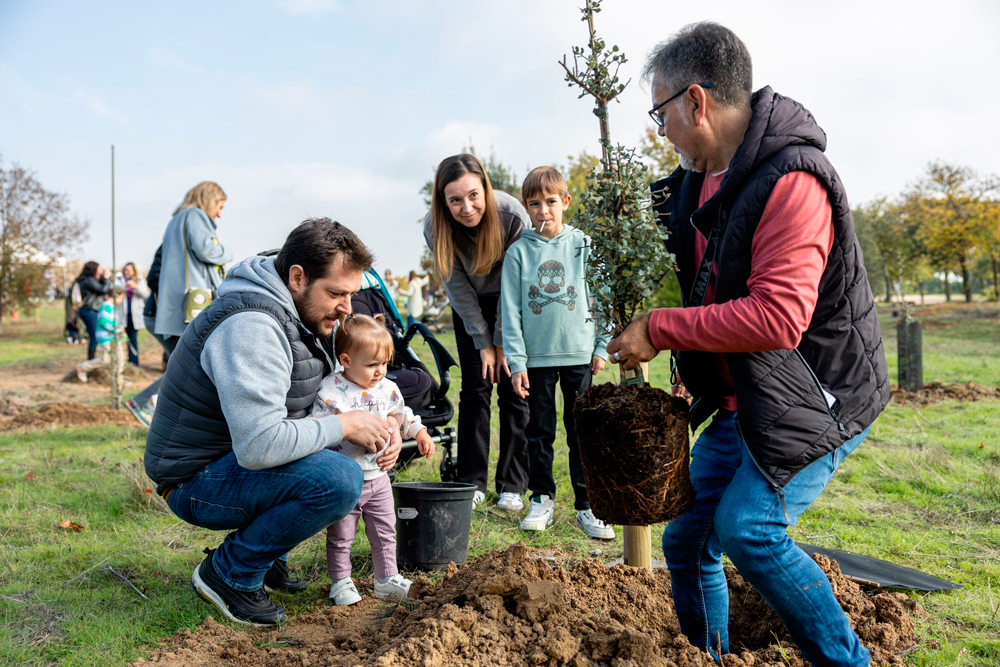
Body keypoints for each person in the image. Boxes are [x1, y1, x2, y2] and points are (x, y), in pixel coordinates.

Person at [606, 23, 889, 665]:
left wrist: (660, 328)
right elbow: (712, 289)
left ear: (696, 101)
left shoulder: (794, 181)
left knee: (749, 530)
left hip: (819, 393)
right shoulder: (701, 180)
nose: (662, 130)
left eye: (661, 112)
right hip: (753, 395)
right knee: (687, 539)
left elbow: (777, 318)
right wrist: (691, 362)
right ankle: (709, 655)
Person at [144, 218, 400, 627]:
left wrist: (382, 426)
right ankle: (229, 573)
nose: (347, 308)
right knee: (338, 480)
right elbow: (261, 444)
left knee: (329, 463)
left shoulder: (302, 315)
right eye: (336, 293)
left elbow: (322, 398)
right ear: (297, 277)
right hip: (194, 479)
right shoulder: (252, 327)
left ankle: (266, 557)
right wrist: (346, 426)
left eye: (351, 294)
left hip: (231, 461)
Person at [501, 166, 614, 540]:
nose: (543, 210)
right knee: (539, 432)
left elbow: (603, 298)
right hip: (537, 361)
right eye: (535, 204)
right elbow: (511, 311)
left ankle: (588, 505)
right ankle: (542, 498)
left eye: (551, 201)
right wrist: (517, 362)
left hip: (580, 355)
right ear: (526, 207)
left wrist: (601, 346)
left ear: (565, 202)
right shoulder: (518, 254)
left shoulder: (583, 245)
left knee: (581, 432)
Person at [423, 154, 530, 511]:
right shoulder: (435, 227)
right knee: (476, 388)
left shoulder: (512, 215)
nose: (466, 207)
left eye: (473, 195)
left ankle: (513, 485)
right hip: (469, 305)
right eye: (455, 200)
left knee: (515, 388)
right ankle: (471, 481)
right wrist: (483, 342)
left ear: (485, 187)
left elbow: (515, 284)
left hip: (512, 300)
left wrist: (501, 342)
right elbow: (457, 289)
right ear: (443, 202)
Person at [312, 314, 435, 606]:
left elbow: (402, 414)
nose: (380, 372)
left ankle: (386, 579)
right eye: (371, 365)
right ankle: (341, 582)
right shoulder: (331, 391)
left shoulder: (386, 388)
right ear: (346, 360)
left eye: (384, 363)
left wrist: (419, 432)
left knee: (385, 530)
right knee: (342, 536)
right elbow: (318, 428)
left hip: (379, 478)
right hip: (346, 478)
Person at [154, 181, 233, 340]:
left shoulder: (175, 220)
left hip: (175, 302)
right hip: (194, 302)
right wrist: (227, 251)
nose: (219, 214)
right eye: (220, 207)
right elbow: (207, 251)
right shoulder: (195, 215)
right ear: (210, 200)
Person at [126, 247, 169, 426]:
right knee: (186, 365)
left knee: (182, 363)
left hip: (157, 315)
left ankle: (144, 402)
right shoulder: (172, 247)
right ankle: (147, 402)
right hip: (159, 315)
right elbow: (154, 280)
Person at [75, 289, 126, 388]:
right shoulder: (106, 306)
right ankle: (83, 367)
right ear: (116, 296)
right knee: (106, 359)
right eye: (121, 298)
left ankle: (119, 380)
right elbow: (103, 322)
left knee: (120, 358)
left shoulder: (110, 306)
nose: (121, 301)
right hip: (107, 338)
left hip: (112, 338)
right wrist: (117, 329)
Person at [74, 261, 114, 360]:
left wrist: (106, 279)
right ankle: (90, 362)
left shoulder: (90, 280)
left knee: (94, 337)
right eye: (99, 269)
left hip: (90, 311)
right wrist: (107, 278)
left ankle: (92, 360)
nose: (100, 271)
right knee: (94, 337)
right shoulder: (89, 281)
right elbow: (103, 290)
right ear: (93, 270)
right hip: (89, 311)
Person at [116, 262, 150, 367]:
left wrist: (136, 287)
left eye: (129, 270)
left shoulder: (140, 280)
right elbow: (116, 293)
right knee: (125, 338)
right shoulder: (120, 280)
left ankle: (134, 363)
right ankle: (126, 361)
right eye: (125, 270)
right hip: (124, 315)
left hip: (135, 315)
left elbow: (146, 295)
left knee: (133, 338)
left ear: (134, 271)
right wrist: (124, 288)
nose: (126, 272)